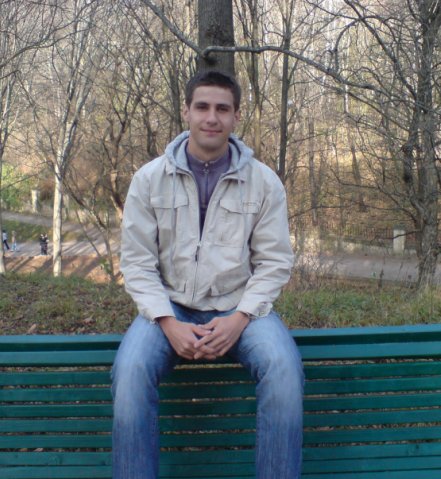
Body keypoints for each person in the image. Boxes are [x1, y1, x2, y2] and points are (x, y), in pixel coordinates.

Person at [112, 70, 304, 479]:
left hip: (241, 308)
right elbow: (137, 262)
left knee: (284, 371)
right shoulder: (149, 179)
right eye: (202, 107)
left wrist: (241, 318)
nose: (211, 117)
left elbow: (274, 261)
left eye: (222, 108)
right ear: (186, 111)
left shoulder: (264, 182)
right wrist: (167, 322)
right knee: (129, 373)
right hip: (169, 308)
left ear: (236, 116)